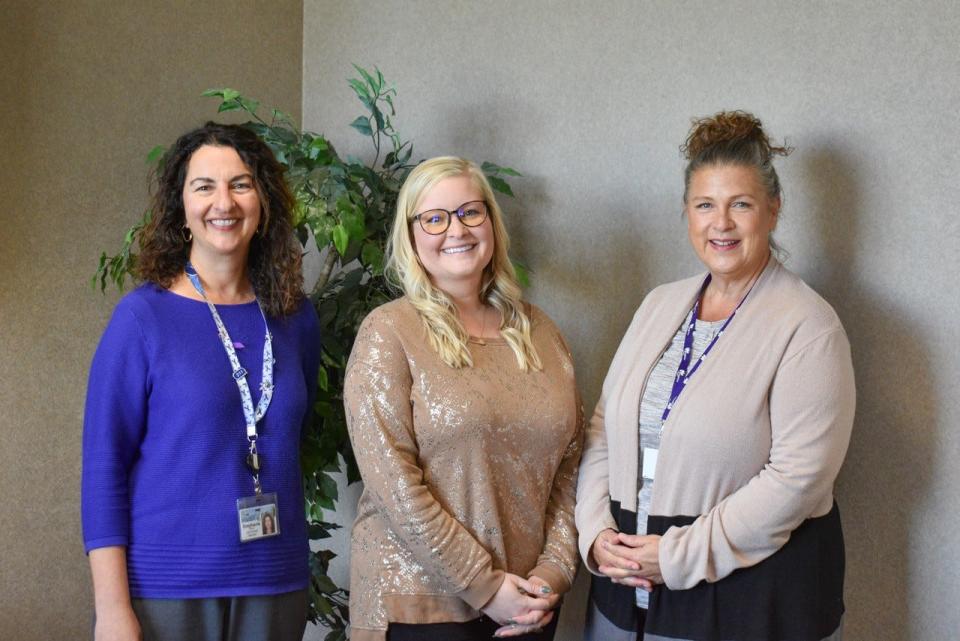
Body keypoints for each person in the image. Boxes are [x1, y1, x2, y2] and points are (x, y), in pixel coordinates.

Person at [575, 111, 855, 641]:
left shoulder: (809, 326)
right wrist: (594, 533)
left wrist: (677, 555)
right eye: (705, 205)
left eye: (740, 204)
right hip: (622, 594)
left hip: (748, 603)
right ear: (686, 213)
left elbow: (798, 480)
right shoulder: (658, 305)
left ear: (772, 210)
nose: (720, 223)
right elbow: (601, 430)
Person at [81, 123, 320, 641]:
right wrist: (111, 610)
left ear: (263, 202)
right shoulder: (142, 318)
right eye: (204, 186)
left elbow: (290, 434)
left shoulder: (295, 318)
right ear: (181, 207)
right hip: (167, 590)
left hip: (276, 582)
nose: (224, 202)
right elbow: (104, 468)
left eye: (241, 183)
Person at [343, 157, 583, 641]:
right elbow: (394, 485)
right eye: (434, 218)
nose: (456, 229)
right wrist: (485, 586)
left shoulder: (540, 332)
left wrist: (552, 572)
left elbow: (572, 466)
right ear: (411, 237)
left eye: (471, 212)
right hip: (420, 609)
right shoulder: (389, 332)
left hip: (526, 607)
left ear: (491, 223)